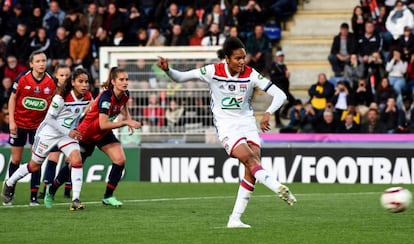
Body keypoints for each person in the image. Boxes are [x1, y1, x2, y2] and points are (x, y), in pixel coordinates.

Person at [157, 37, 296, 229]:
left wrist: (268, 113)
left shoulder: (250, 73)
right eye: (238, 58)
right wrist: (167, 70)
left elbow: (281, 95)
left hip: (247, 123)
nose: (242, 62)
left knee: (252, 168)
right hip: (227, 126)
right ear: (227, 58)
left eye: (244, 58)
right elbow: (181, 77)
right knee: (249, 158)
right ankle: (277, 187)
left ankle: (235, 219)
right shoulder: (213, 71)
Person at [44, 67, 141, 207]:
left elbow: (123, 105)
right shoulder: (106, 98)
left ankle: (108, 196)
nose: (125, 82)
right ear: (113, 81)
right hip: (86, 134)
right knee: (72, 165)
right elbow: (103, 124)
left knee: (120, 160)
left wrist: (129, 119)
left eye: (126, 79)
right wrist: (126, 122)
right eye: (121, 79)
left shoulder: (125, 94)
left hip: (103, 134)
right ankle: (51, 190)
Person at [1, 68, 93, 210]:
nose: (84, 85)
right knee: (34, 166)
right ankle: (9, 182)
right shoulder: (61, 97)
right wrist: (69, 131)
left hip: (65, 135)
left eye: (86, 82)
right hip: (48, 134)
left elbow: (94, 106)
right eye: (81, 81)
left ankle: (75, 199)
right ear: (73, 83)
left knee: (77, 159)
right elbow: (49, 119)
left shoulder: (87, 97)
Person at [2, 52, 57, 206]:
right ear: (31, 64)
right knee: (16, 159)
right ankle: (9, 191)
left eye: (44, 60)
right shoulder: (22, 78)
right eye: (38, 61)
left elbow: (55, 102)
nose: (41, 63)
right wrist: (12, 121)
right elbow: (12, 99)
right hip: (19, 124)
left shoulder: (51, 81)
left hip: (38, 127)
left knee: (36, 160)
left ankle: (33, 197)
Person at [39, 64, 72, 199]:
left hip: (71, 129)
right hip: (54, 129)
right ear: (56, 76)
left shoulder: (74, 91)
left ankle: (68, 190)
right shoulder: (52, 91)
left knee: (72, 159)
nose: (64, 78)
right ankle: (47, 189)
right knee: (53, 158)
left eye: (67, 75)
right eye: (62, 75)